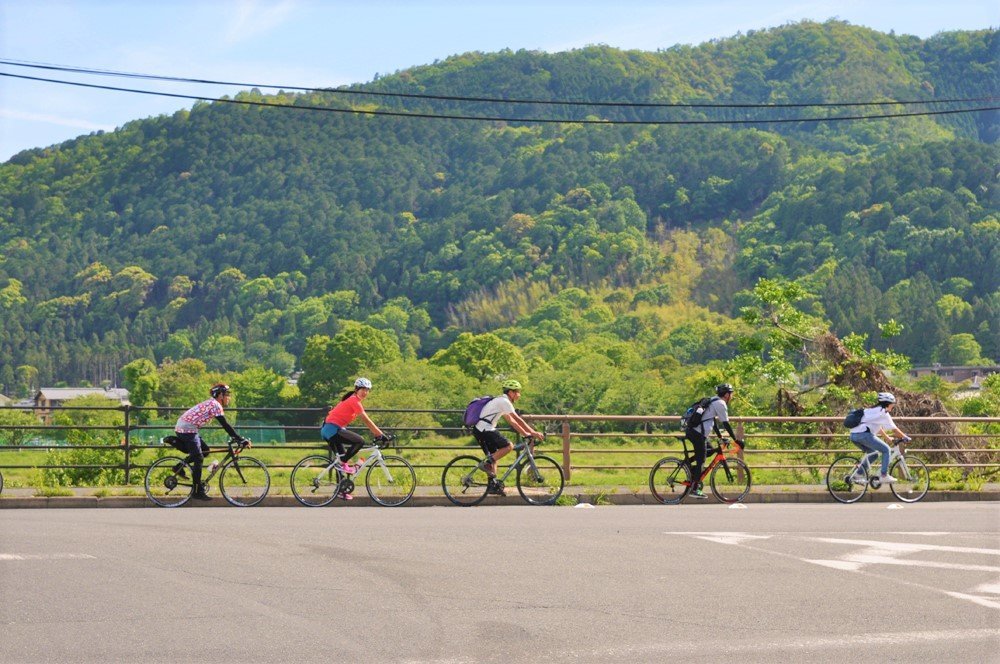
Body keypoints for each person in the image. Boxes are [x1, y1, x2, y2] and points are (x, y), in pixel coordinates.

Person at [172, 383, 248, 501]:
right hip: (186, 429)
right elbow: (225, 424)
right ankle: (197, 491)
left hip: (190, 428)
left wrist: (237, 438)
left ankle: (179, 466)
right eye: (227, 394)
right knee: (198, 458)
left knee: (205, 452)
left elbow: (225, 425)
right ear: (220, 395)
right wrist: (239, 439)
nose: (229, 397)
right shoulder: (215, 405)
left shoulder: (213, 403)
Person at [472, 379, 544, 496]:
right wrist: (532, 432)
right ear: (510, 392)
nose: (519, 395)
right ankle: (486, 464)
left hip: (481, 429)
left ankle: (493, 486)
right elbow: (517, 419)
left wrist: (525, 433)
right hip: (484, 429)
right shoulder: (504, 401)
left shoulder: (501, 401)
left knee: (495, 457)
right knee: (508, 446)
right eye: (517, 392)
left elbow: (512, 421)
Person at [321, 377, 385, 500]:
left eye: (367, 390)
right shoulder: (354, 400)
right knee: (359, 441)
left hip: (330, 430)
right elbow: (366, 419)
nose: (365, 392)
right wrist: (379, 434)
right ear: (356, 389)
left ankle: (341, 491)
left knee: (340, 459)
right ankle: (345, 464)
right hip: (332, 430)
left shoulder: (351, 400)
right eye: (363, 389)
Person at [685, 383, 744, 499]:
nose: (731, 397)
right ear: (727, 395)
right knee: (701, 459)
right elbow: (726, 424)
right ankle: (694, 488)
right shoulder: (721, 403)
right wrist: (736, 440)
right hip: (697, 434)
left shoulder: (713, 400)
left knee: (710, 451)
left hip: (696, 432)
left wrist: (720, 437)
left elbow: (713, 421)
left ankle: (689, 465)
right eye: (731, 394)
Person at [848, 391, 911, 484]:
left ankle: (857, 474)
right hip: (864, 435)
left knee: (874, 454)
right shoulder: (883, 413)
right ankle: (883, 475)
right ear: (888, 404)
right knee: (886, 450)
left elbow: (877, 427)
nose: (893, 406)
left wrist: (887, 438)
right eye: (892, 404)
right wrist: (905, 437)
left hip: (854, 435)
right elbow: (895, 430)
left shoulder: (873, 410)